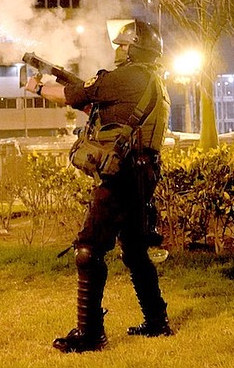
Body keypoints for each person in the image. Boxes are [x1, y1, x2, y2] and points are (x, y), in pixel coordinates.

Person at [25, 20, 172, 353]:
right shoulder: (150, 80)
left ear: (135, 48)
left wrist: (36, 87)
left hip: (121, 174)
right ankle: (157, 321)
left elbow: (72, 94)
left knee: (88, 248)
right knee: (135, 250)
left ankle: (90, 333)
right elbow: (97, 105)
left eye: (123, 45)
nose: (118, 50)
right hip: (142, 172)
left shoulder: (128, 76)